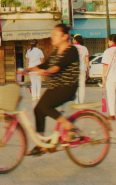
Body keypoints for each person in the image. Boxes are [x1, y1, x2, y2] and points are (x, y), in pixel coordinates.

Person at [26, 24, 81, 156]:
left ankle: (68, 126)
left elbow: (57, 67)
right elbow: (47, 64)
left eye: (56, 34)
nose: (52, 37)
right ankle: (41, 143)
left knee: (44, 106)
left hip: (67, 87)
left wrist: (45, 72)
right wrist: (28, 69)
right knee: (38, 109)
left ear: (65, 36)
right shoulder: (56, 51)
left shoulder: (72, 50)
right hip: (55, 87)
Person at [72, 35, 90, 103]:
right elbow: (87, 61)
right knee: (82, 86)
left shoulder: (72, 47)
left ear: (76, 40)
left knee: (75, 86)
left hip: (74, 68)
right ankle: (81, 102)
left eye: (73, 39)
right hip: (82, 68)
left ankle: (76, 102)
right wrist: (88, 70)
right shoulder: (84, 48)